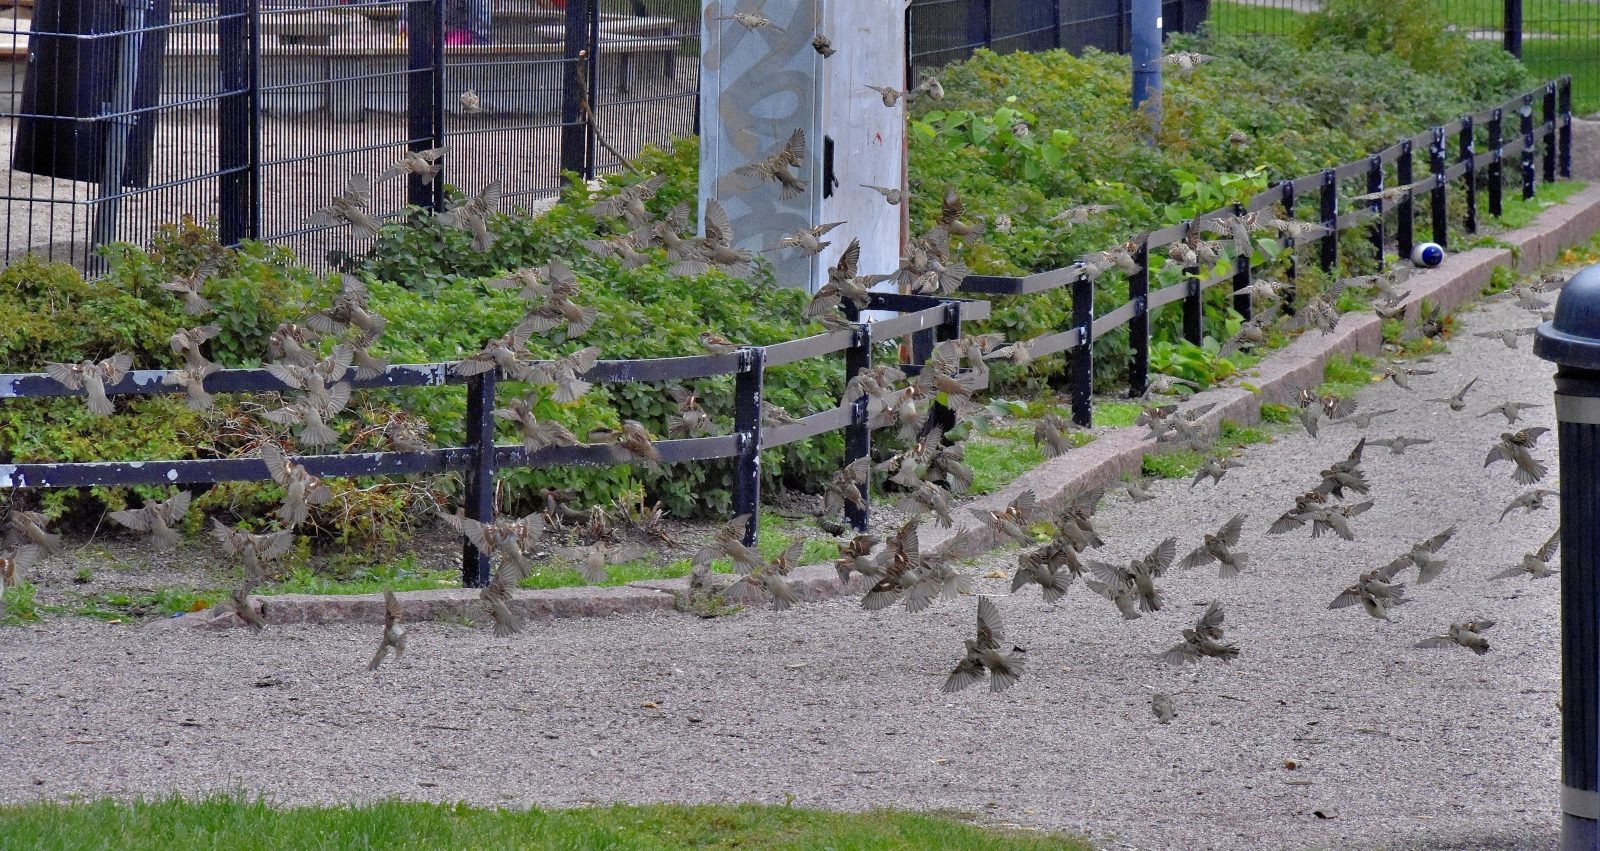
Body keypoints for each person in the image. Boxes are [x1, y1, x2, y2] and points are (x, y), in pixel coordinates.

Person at [398, 0, 493, 46]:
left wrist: (479, 39)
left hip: (459, 34)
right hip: (431, 35)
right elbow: (409, 10)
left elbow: (479, 16)